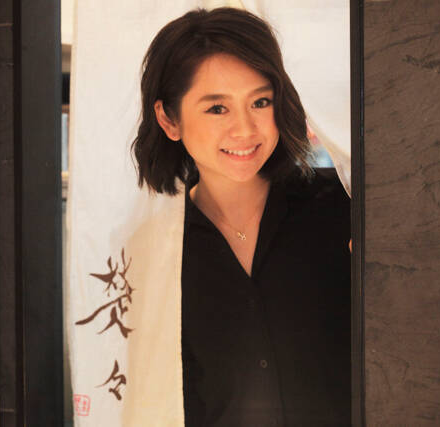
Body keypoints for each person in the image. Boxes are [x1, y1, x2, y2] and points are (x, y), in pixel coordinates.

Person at [132, 7, 351, 426]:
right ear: (169, 119)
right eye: (218, 108)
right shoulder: (155, 252)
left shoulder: (344, 208)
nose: (245, 129)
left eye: (260, 101)